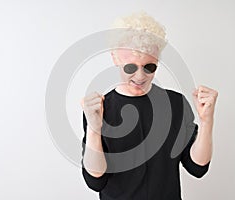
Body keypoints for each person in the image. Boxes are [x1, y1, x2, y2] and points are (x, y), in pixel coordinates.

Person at [80, 11, 218, 200]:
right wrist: (95, 130)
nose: (140, 76)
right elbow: (95, 180)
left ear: (158, 61)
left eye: (149, 67)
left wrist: (206, 122)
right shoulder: (100, 109)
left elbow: (197, 167)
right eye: (131, 67)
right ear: (115, 59)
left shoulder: (175, 104)